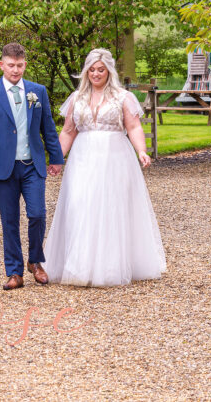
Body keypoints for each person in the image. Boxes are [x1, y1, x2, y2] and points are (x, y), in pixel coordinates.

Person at [43, 48, 166, 286]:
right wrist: (57, 159)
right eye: (92, 70)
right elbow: (68, 131)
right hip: (82, 158)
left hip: (115, 157)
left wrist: (142, 150)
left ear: (109, 71)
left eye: (101, 70)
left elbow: (134, 127)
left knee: (110, 206)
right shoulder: (76, 99)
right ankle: (79, 266)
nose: (96, 74)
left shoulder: (123, 97)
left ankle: (109, 267)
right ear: (86, 71)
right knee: (80, 204)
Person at [0, 42, 64, 290]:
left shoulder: (37, 92)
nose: (16, 70)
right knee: (9, 220)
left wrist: (56, 158)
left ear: (25, 64)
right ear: (2, 65)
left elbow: (48, 127)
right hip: (3, 167)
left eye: (20, 65)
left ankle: (35, 261)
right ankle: (14, 272)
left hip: (32, 165)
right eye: (11, 65)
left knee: (37, 214)